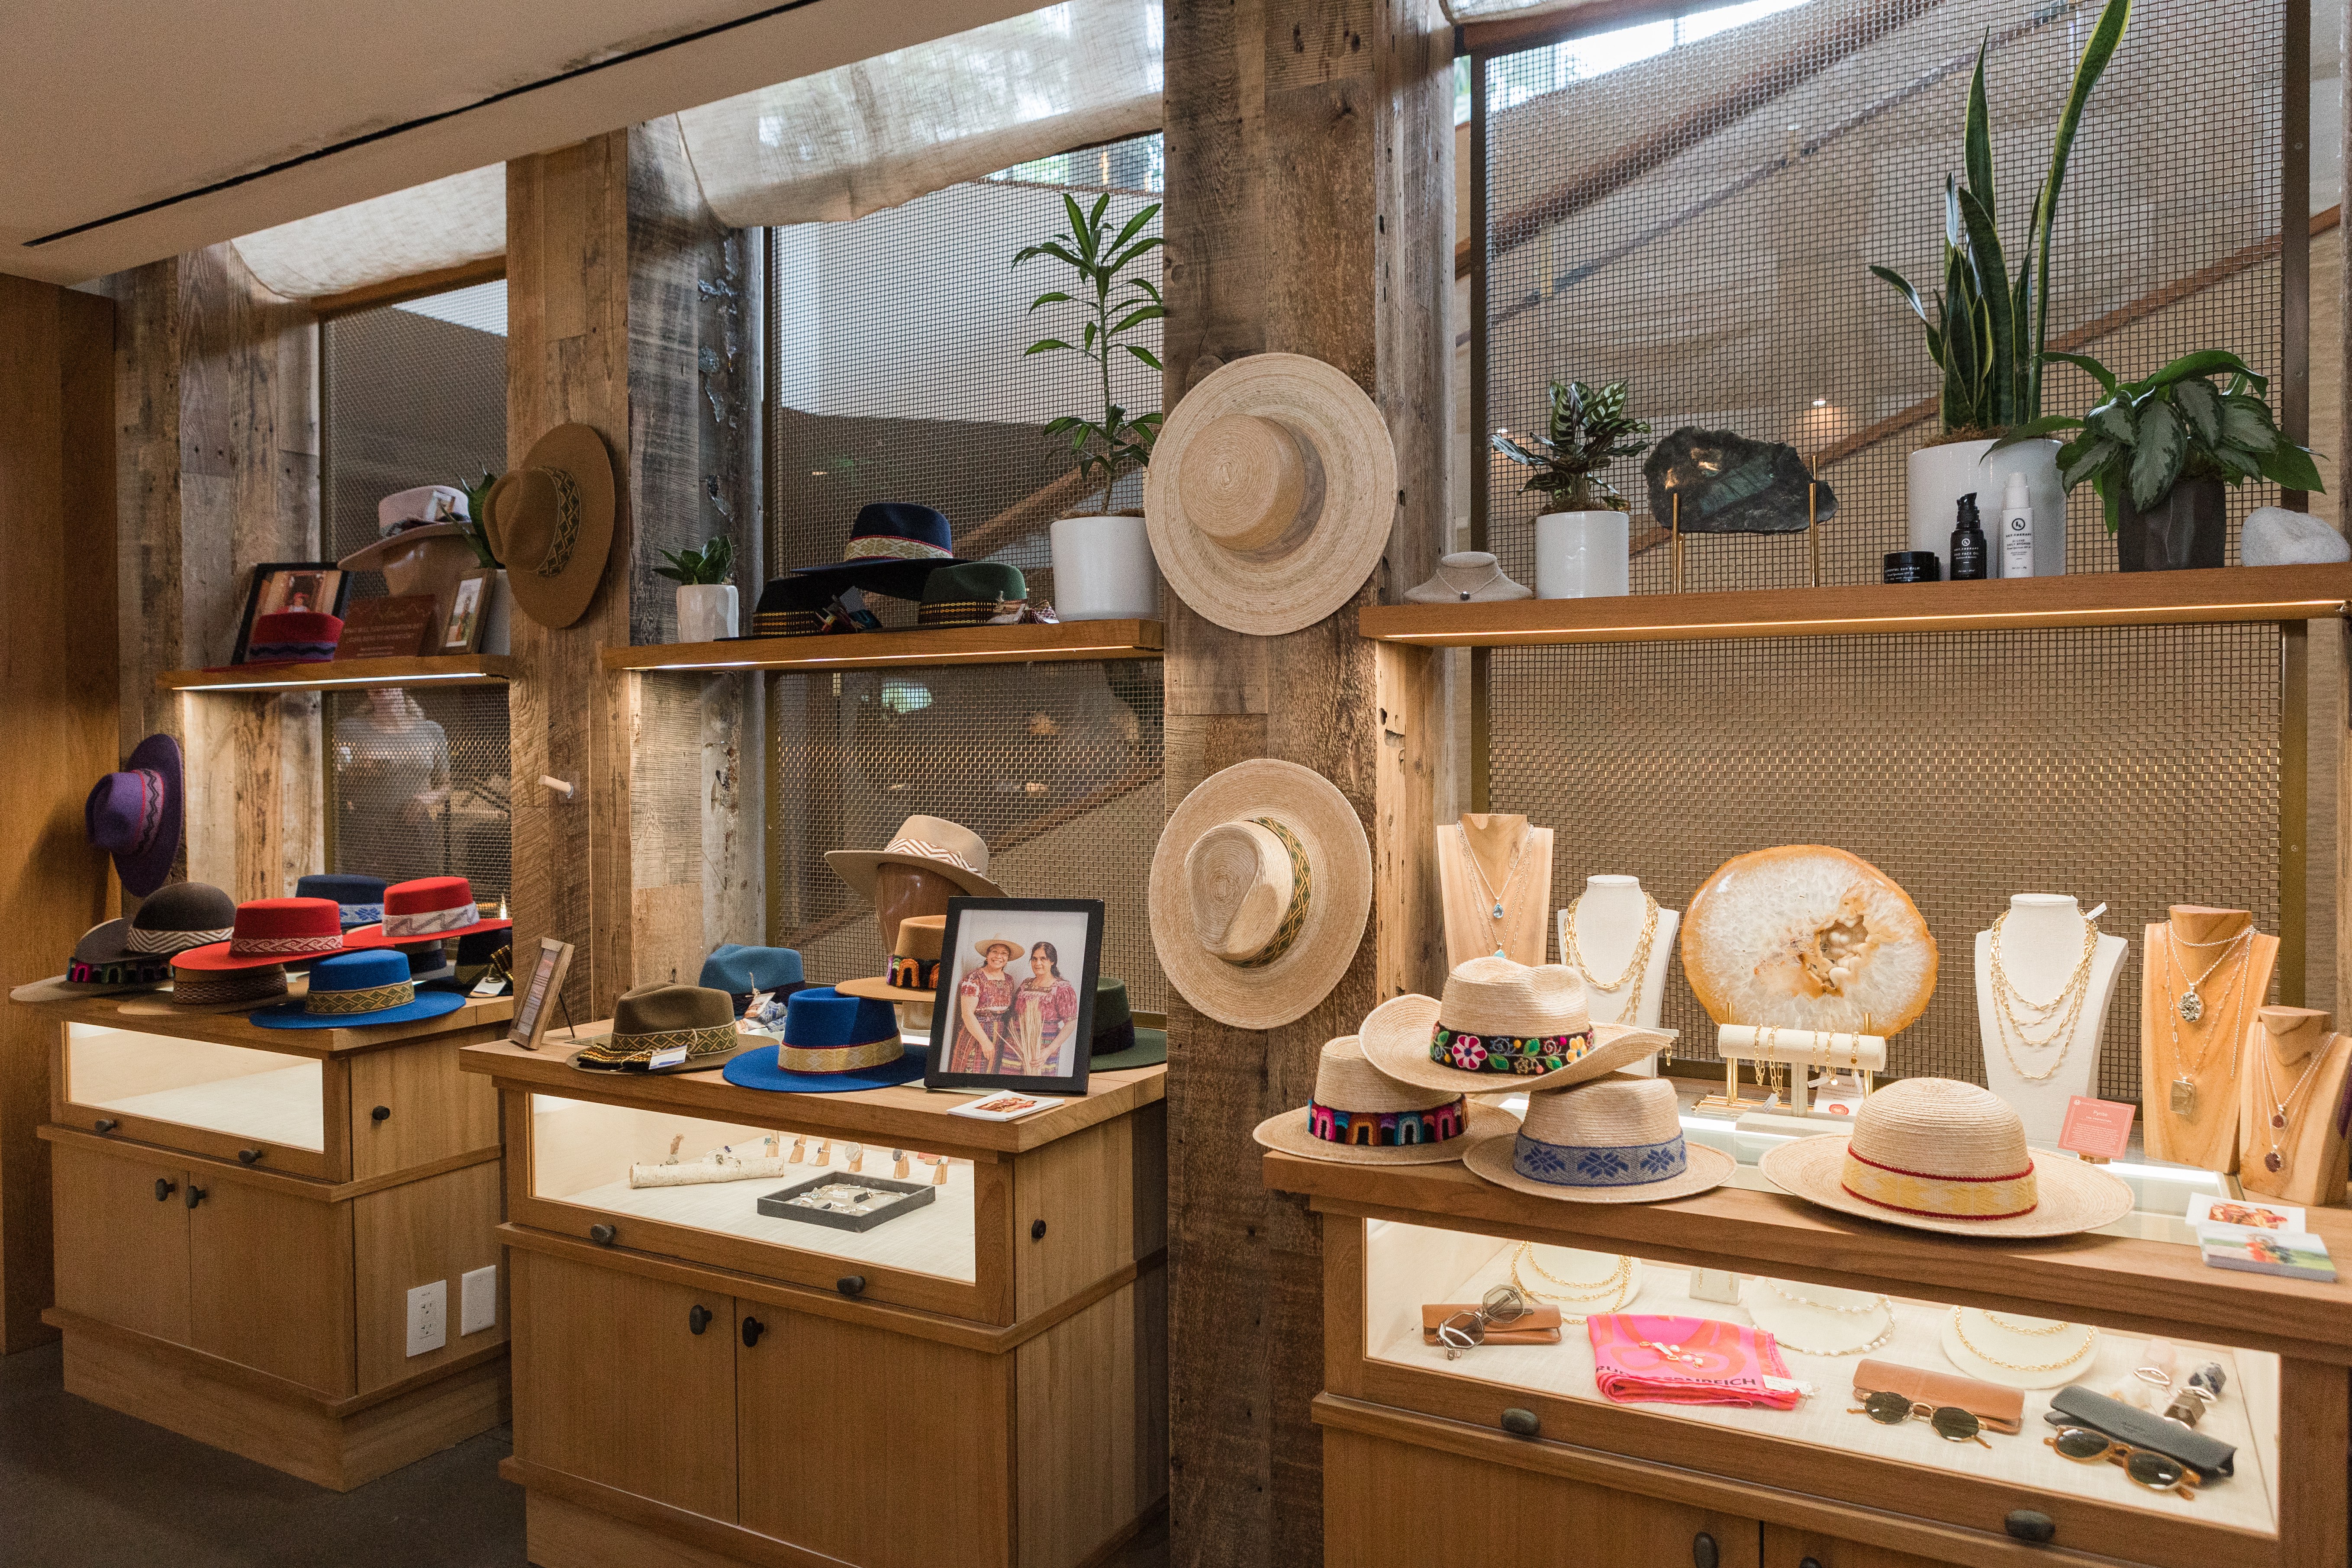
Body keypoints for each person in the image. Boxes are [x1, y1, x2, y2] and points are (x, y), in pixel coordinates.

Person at [333, 688, 452, 880]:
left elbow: (446, 785)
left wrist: (426, 799)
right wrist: (360, 772)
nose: (379, 686)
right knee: (372, 894)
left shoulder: (430, 730)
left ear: (402, 686)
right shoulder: (349, 729)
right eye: (372, 682)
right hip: (367, 826)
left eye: (388, 680)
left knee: (419, 892)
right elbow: (335, 784)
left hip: (415, 823)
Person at [1010, 941, 1081, 1076]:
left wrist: (1048, 1051)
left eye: (1043, 959)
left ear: (1053, 961)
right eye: (1034, 959)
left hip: (1043, 1049)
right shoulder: (1026, 984)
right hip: (1016, 1046)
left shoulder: (1062, 988)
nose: (1038, 963)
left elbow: (1071, 1023)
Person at [951, 937, 1021, 1073]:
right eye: (995, 951)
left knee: (991, 1073)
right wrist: (985, 1042)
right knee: (972, 1073)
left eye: (1004, 953)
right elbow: (967, 1014)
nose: (999, 957)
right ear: (987, 955)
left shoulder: (1009, 980)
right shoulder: (974, 978)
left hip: (999, 1034)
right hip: (976, 1033)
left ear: (1008, 958)